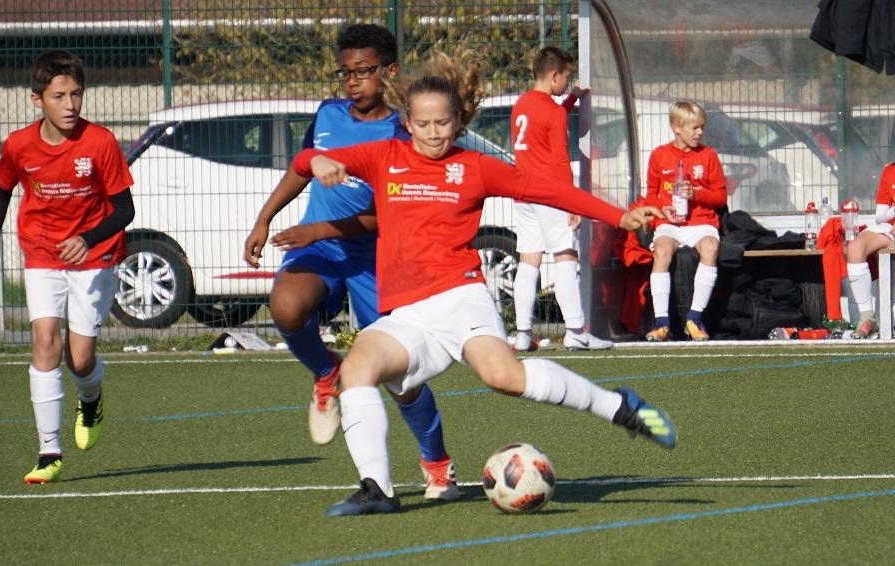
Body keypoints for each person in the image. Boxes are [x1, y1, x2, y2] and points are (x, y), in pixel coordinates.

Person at [278, 46, 676, 517]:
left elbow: (547, 189)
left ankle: (619, 407)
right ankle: (377, 489)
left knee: (503, 377)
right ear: (406, 123)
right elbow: (305, 159)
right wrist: (316, 162)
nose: (433, 133)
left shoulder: (474, 167)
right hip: (408, 315)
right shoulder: (383, 156)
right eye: (423, 123)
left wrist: (619, 215)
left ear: (459, 122)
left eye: (442, 123)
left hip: (461, 298)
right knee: (357, 368)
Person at [242, 24, 459, 501]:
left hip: (375, 258)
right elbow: (302, 165)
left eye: (362, 71)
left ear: (390, 71)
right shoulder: (327, 114)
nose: (352, 81)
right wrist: (264, 219)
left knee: (401, 378)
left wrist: (316, 230)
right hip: (320, 250)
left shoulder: (404, 132)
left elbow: (386, 215)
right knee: (286, 307)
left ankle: (438, 464)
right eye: (345, 72)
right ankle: (326, 373)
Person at [0, 50, 135, 483]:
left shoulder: (100, 142)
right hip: (42, 253)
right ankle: (49, 453)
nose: (70, 104)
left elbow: (125, 209)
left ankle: (91, 398)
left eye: (76, 94)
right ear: (37, 100)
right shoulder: (18, 145)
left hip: (94, 257)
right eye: (59, 96)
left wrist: (88, 239)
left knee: (80, 360)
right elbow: (1, 193)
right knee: (45, 341)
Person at [509, 46, 611, 352]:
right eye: (566, 77)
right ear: (554, 75)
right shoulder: (551, 111)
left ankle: (523, 334)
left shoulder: (521, 105)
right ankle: (576, 331)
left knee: (528, 263)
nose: (567, 82)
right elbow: (559, 159)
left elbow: (547, 121)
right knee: (566, 258)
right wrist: (571, 202)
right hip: (549, 195)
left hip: (523, 194)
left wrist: (571, 99)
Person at [642, 100, 728, 342]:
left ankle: (695, 318)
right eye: (695, 127)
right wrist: (662, 209)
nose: (700, 132)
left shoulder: (708, 155)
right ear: (677, 127)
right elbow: (650, 194)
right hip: (671, 223)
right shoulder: (659, 155)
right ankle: (661, 322)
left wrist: (696, 194)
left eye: (702, 127)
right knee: (661, 251)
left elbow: (721, 197)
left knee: (710, 247)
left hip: (701, 223)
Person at [846, 162, 895, 339]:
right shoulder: (890, 171)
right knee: (855, 247)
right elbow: (880, 216)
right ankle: (867, 318)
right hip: (889, 228)